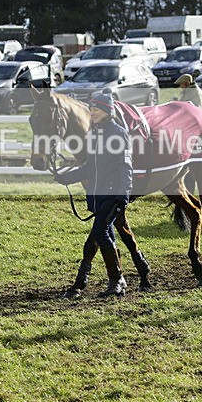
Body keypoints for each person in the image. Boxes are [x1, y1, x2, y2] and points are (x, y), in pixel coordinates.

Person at [53, 89, 133, 296]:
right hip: (97, 194)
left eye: (96, 109)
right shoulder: (94, 134)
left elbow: (125, 166)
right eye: (91, 109)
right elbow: (89, 167)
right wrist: (65, 178)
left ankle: (116, 280)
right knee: (107, 235)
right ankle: (119, 280)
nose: (93, 112)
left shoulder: (118, 133)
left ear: (107, 110)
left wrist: (123, 194)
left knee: (100, 232)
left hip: (112, 194)